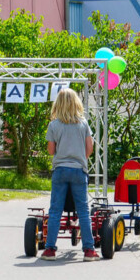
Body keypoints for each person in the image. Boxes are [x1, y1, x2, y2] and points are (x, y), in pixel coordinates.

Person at [41, 88, 99, 262]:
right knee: (83, 211)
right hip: (78, 170)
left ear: (58, 104)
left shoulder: (54, 125)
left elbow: (51, 151)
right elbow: (90, 148)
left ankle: (50, 249)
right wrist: (80, 158)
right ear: (76, 103)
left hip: (60, 170)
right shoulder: (83, 124)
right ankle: (89, 250)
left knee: (55, 211)